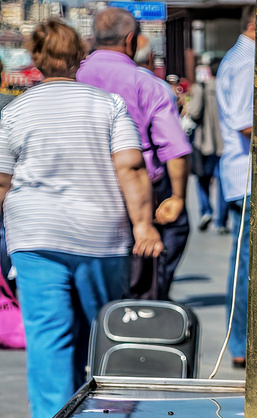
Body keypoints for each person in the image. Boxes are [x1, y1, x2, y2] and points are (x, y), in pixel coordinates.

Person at [0, 19, 162, 418]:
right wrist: (143, 225)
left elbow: (1, 181)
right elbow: (130, 166)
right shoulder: (107, 105)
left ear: (35, 61)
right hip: (100, 234)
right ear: (80, 57)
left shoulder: (14, 112)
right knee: (102, 329)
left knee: (49, 333)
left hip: (35, 236)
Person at [78, 5, 191, 302]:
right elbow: (174, 149)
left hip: (85, 189)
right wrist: (177, 197)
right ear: (130, 41)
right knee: (168, 237)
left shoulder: (74, 77)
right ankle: (149, 305)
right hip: (142, 192)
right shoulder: (147, 84)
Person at [214, 8, 255, 367]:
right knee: (251, 265)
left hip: (245, 175)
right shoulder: (246, 62)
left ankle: (244, 341)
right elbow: (246, 122)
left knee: (245, 262)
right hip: (250, 176)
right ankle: (244, 343)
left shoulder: (240, 57)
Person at [184, 60, 223, 231]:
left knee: (202, 179)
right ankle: (222, 219)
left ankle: (206, 210)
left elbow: (195, 112)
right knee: (222, 180)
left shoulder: (202, 87)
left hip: (204, 141)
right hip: (223, 142)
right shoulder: (226, 88)